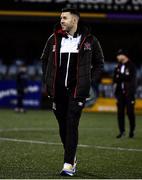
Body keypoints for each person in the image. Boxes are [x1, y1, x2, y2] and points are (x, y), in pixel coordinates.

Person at [41, 8, 104, 176]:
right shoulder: (53, 39)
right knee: (63, 126)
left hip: (77, 92)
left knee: (71, 124)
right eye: (61, 17)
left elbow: (99, 63)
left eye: (64, 18)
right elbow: (44, 60)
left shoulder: (90, 40)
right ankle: (72, 155)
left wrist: (89, 81)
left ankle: (68, 164)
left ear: (74, 21)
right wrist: (47, 80)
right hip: (58, 91)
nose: (61, 20)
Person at [113, 49, 136, 138]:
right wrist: (121, 76)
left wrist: (120, 76)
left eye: (119, 55)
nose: (117, 57)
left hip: (129, 94)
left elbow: (130, 78)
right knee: (120, 113)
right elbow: (115, 78)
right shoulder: (118, 66)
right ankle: (122, 132)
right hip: (120, 94)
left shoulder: (131, 66)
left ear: (124, 55)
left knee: (130, 113)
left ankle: (132, 131)